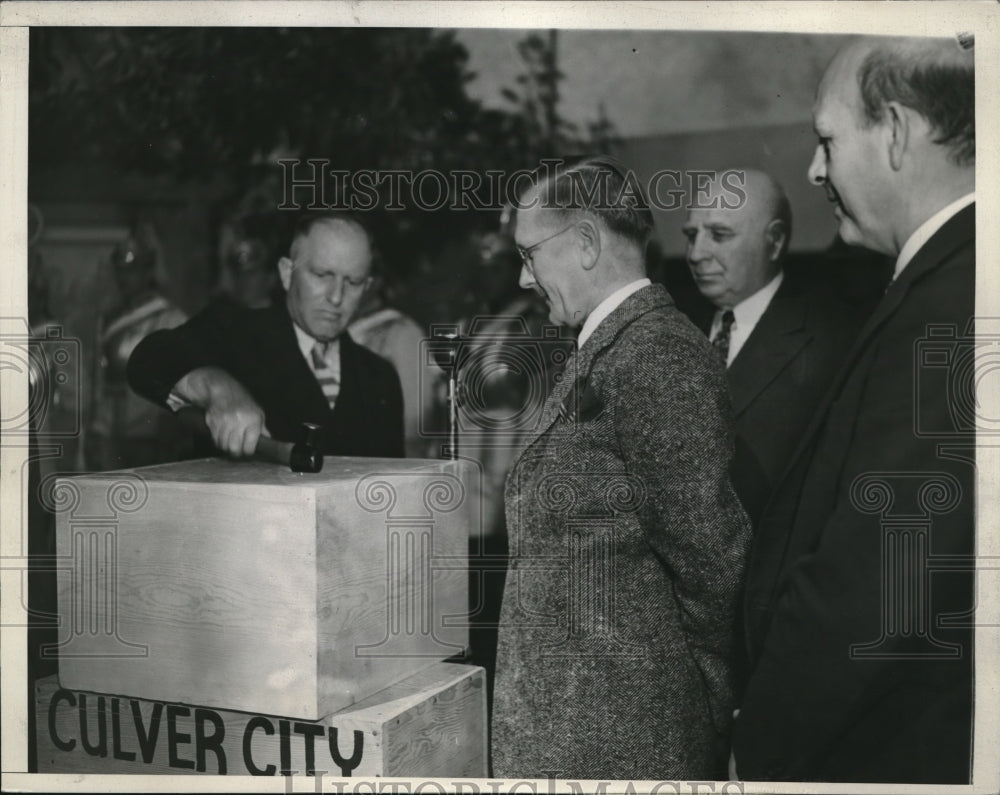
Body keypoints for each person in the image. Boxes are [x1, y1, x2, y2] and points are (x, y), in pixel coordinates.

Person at [733, 36, 975, 783]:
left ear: (897, 133)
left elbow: (876, 580)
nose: (814, 168)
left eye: (827, 140)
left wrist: (757, 747)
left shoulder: (950, 302)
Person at [491, 156, 752, 780]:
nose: (525, 280)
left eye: (529, 255)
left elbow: (713, 566)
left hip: (623, 743)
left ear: (584, 243)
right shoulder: (612, 349)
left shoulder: (657, 355)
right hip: (586, 736)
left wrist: (701, 716)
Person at [128, 213, 404, 459]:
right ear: (286, 273)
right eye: (322, 275)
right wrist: (217, 387)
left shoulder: (380, 377)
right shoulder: (233, 331)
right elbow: (146, 361)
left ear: (368, 286)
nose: (336, 297)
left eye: (353, 282)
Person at [682, 170, 869, 527]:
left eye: (719, 235)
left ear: (775, 241)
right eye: (691, 235)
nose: (696, 253)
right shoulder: (670, 326)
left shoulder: (832, 339)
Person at [87, 224, 191, 470]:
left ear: (147, 272)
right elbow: (98, 380)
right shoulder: (109, 319)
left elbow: (183, 380)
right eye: (121, 271)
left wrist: (170, 424)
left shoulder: (170, 318)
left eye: (132, 271)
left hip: (151, 430)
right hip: (111, 429)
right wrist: (94, 427)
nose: (125, 279)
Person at [348, 271, 439, 459]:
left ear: (376, 282)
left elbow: (417, 414)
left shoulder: (401, 331)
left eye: (354, 278)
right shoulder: (337, 329)